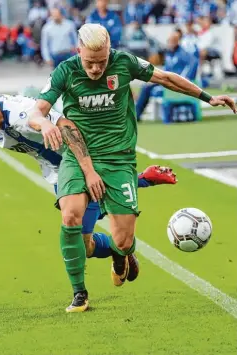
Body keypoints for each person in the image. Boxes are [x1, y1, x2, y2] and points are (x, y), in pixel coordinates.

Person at [0, 82, 177, 306]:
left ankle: (133, 206)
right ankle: (120, 247)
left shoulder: (20, 113)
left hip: (84, 159)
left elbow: (64, 125)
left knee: (78, 221)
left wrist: (45, 126)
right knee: (86, 247)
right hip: (57, 173)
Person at [29, 23, 236, 312]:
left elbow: (165, 78)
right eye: (89, 62)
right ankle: (80, 293)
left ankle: (121, 254)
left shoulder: (124, 62)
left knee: (123, 241)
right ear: (79, 52)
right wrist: (46, 123)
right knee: (71, 216)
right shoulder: (66, 70)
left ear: (109, 51)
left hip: (119, 157)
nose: (95, 69)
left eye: (101, 62)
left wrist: (207, 97)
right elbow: (36, 112)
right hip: (79, 155)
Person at [136, 29, 199, 121]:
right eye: (169, 41)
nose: (170, 43)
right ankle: (136, 115)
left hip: (176, 82)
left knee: (152, 88)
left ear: (177, 41)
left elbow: (193, 63)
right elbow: (166, 70)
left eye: (173, 41)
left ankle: (137, 114)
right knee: (146, 87)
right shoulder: (169, 54)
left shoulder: (183, 54)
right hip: (166, 80)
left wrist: (187, 78)